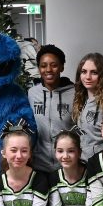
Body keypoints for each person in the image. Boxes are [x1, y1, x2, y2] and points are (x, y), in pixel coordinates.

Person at [28, 44, 74, 173]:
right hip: (39, 165)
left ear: (62, 67)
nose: (48, 69)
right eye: (43, 66)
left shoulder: (76, 94)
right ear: (39, 68)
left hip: (67, 164)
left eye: (54, 65)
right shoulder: (32, 93)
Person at [71, 53, 103, 161]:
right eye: (84, 72)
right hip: (84, 164)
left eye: (94, 72)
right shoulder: (81, 100)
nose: (88, 77)